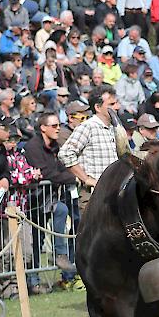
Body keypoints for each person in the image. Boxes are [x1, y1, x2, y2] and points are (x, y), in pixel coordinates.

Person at [24, 112, 78, 277]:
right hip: (35, 198)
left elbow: (60, 168)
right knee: (37, 240)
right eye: (54, 126)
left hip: (51, 197)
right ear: (43, 128)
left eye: (58, 125)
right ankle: (33, 280)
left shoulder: (55, 146)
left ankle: (60, 255)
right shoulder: (33, 146)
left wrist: (69, 176)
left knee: (61, 210)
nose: (58, 129)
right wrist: (73, 178)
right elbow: (46, 172)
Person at [58, 84, 120, 211]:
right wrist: (86, 179)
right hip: (93, 194)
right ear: (97, 107)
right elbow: (65, 153)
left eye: (116, 103)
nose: (117, 107)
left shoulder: (114, 128)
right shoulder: (88, 126)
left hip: (112, 192)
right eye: (112, 104)